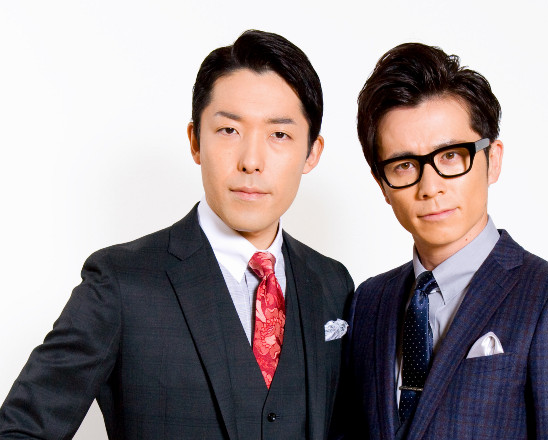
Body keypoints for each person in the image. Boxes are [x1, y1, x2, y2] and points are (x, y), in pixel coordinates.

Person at [0, 30, 353, 440]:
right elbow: (19, 431)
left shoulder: (332, 283)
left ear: (311, 152)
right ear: (195, 142)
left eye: (279, 134)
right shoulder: (120, 282)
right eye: (229, 130)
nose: (251, 161)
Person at [331, 42, 548, 439]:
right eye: (404, 165)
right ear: (382, 184)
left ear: (492, 160)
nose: (430, 187)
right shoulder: (369, 302)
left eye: (450, 156)